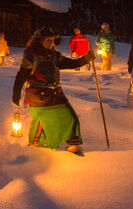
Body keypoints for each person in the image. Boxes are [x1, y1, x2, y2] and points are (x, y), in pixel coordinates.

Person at [12, 26, 97, 154]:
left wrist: (86, 59)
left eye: (52, 40)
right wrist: (16, 94)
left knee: (71, 117)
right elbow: (21, 76)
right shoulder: (31, 57)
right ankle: (35, 148)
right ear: (40, 41)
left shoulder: (54, 55)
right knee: (42, 121)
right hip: (38, 97)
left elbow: (70, 63)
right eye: (48, 40)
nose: (51, 43)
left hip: (56, 94)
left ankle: (73, 145)